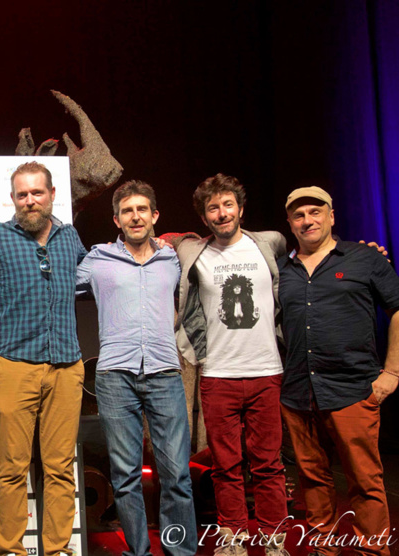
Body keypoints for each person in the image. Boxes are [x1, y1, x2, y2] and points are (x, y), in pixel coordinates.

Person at [76, 181, 197, 556]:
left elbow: (211, 249)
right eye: (127, 211)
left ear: (155, 216)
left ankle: (179, 551)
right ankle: (138, 552)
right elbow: (55, 285)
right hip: (115, 378)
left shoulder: (171, 258)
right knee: (125, 477)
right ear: (117, 219)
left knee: (176, 475)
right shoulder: (98, 259)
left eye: (142, 209)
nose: (136, 216)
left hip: (163, 373)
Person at [277, 186, 399, 556]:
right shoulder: (282, 270)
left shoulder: (365, 258)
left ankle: (371, 550)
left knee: (365, 480)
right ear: (290, 223)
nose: (307, 220)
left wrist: (392, 371)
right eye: (299, 215)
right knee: (312, 479)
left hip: (353, 387)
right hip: (297, 391)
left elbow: (397, 309)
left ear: (332, 215)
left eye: (315, 212)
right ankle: (323, 548)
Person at [0, 161, 87, 556]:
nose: (30, 200)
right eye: (22, 194)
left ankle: (56, 549)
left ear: (52, 195)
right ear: (13, 199)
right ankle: (11, 550)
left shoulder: (71, 238)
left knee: (59, 468)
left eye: (37, 192)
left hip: (66, 365)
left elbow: (95, 273)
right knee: (11, 469)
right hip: (12, 365)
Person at [175, 173, 289, 556]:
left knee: (269, 464)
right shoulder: (193, 252)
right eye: (213, 208)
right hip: (218, 374)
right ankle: (233, 539)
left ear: (240, 208)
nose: (221, 213)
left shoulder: (268, 244)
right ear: (204, 216)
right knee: (226, 465)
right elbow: (168, 244)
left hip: (265, 371)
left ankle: (275, 541)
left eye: (227, 205)